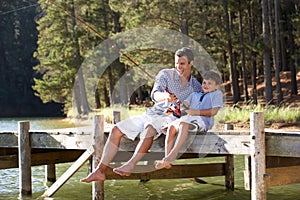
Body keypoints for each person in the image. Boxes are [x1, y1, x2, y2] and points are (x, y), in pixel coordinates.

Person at [80, 47, 202, 182]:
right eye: (176, 63)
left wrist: (183, 106)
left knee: (150, 128)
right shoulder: (165, 75)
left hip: (170, 117)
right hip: (152, 113)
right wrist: (166, 96)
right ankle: (100, 171)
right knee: (116, 130)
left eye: (182, 64)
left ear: (191, 63)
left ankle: (131, 164)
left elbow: (194, 110)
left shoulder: (196, 87)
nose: (178, 67)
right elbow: (155, 94)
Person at [155, 71, 223, 170]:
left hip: (202, 121)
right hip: (189, 118)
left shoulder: (217, 94)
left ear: (217, 86)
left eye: (210, 83)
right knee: (171, 127)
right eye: (204, 82)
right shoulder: (194, 94)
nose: (206, 85)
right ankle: (167, 158)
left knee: (183, 124)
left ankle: (171, 156)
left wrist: (196, 112)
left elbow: (214, 112)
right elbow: (184, 106)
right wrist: (177, 104)